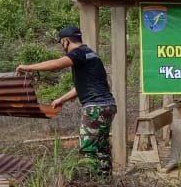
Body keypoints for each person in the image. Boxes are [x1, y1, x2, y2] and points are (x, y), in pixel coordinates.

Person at [16, 26, 116, 177]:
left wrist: (28, 67)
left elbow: (57, 64)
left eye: (61, 43)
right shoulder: (91, 55)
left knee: (88, 150)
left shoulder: (79, 53)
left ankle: (91, 184)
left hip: (95, 108)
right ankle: (106, 182)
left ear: (65, 41)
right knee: (101, 148)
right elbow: (82, 87)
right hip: (108, 106)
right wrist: (62, 99)